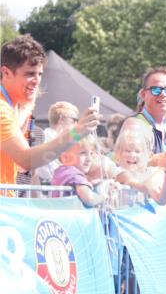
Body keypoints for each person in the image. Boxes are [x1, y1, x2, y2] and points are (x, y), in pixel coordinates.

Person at [1, 35, 100, 195]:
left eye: (40, 74)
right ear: (6, 72)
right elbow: (27, 160)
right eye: (30, 74)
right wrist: (77, 132)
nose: (37, 80)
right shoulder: (2, 109)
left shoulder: (16, 105)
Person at [118, 67, 166, 166]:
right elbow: (131, 164)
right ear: (143, 94)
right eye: (156, 89)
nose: (163, 94)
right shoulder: (135, 125)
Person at [52, 136, 112, 207]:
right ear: (65, 157)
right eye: (83, 153)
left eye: (91, 153)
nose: (89, 159)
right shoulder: (75, 174)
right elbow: (89, 198)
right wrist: (103, 196)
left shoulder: (61, 171)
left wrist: (89, 184)